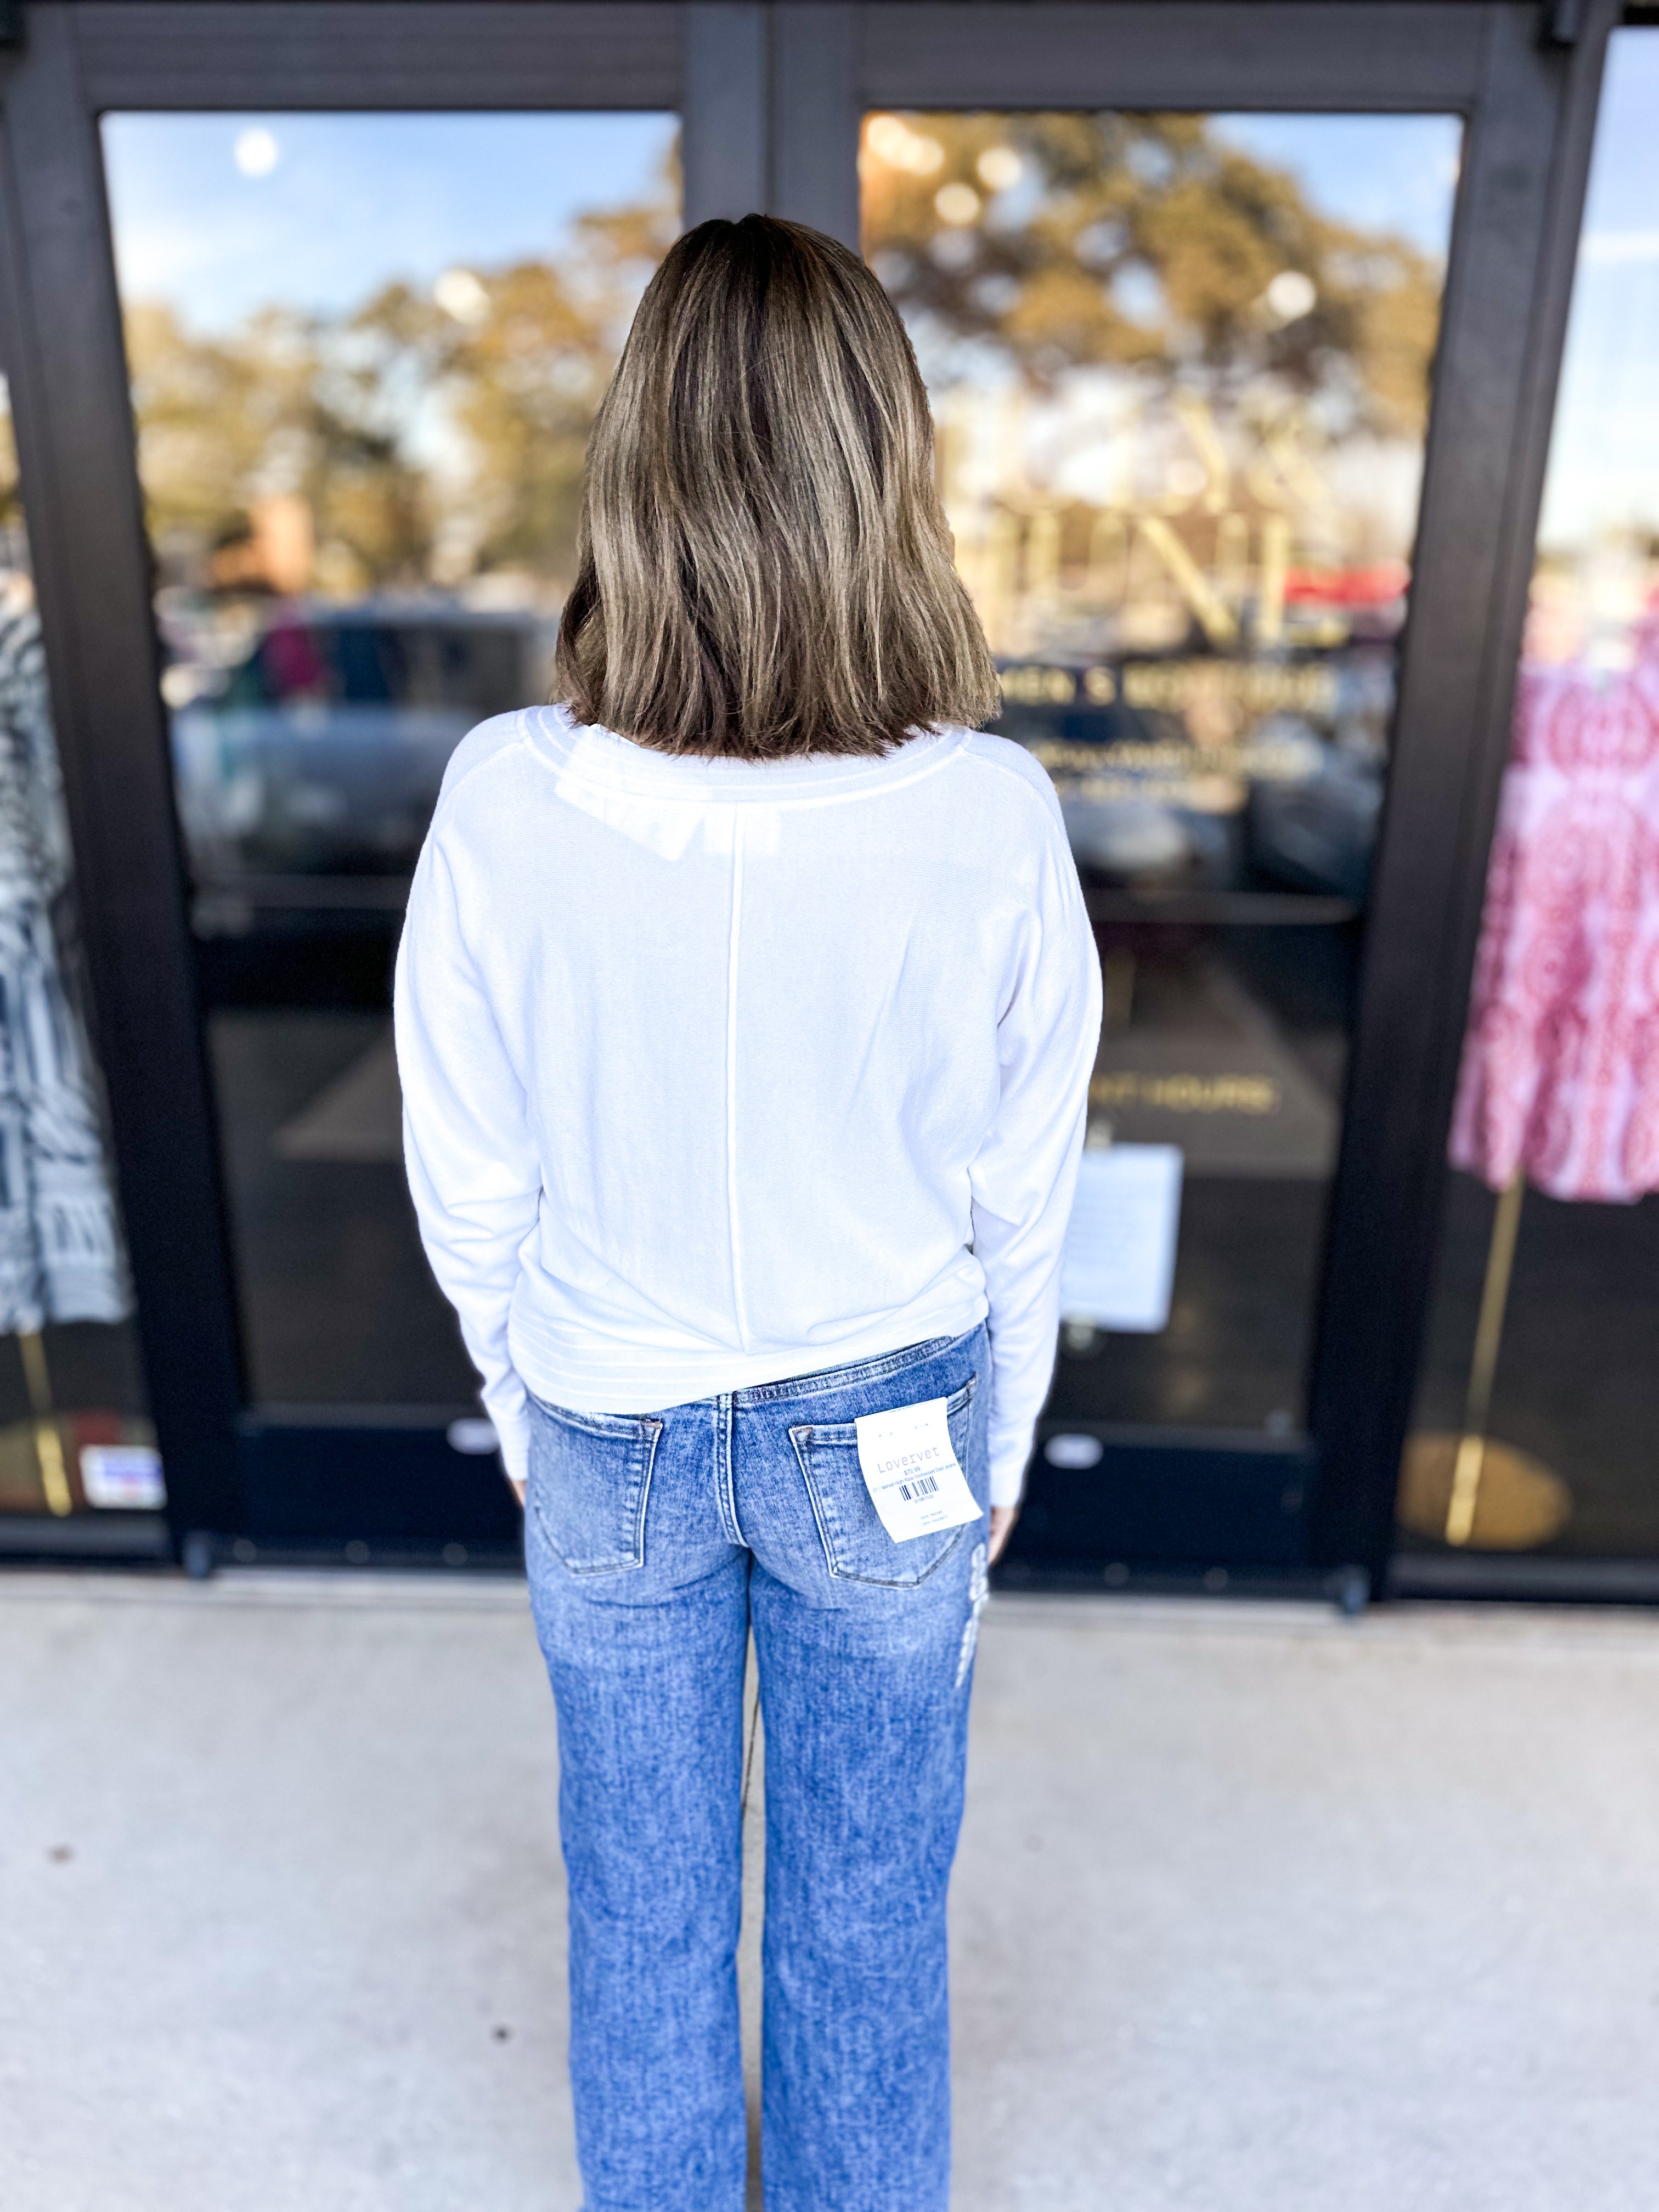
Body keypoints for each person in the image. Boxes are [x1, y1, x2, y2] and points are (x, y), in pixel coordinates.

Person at [394, 215, 1101, 2212]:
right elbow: (1018, 1199)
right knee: (871, 1938)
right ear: (887, 472)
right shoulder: (989, 811)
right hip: (890, 1430)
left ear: (642, 468)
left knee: (641, 1929)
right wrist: (1003, 1463)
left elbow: (471, 1177)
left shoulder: (503, 795)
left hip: (606, 1418)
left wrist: (528, 1409)